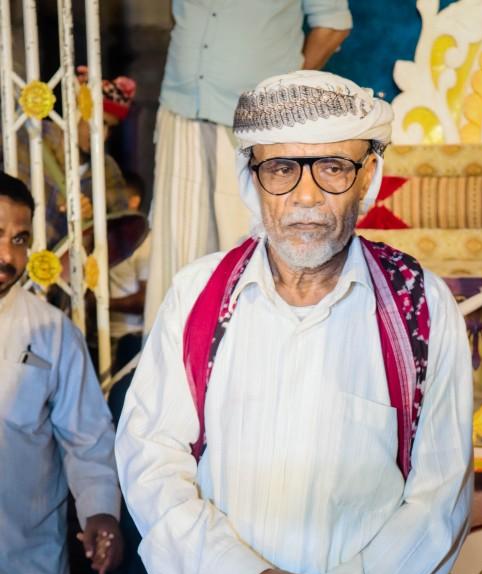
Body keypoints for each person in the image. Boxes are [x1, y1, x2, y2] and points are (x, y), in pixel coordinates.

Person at [116, 72, 473, 574]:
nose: (306, 196)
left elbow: (439, 501)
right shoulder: (197, 296)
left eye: (333, 167)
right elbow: (150, 461)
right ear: (251, 180)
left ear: (368, 177)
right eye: (281, 169)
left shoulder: (421, 309)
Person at [0, 171, 123, 574]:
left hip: (29, 571)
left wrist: (100, 513)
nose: (8, 254)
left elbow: (88, 439)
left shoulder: (51, 333)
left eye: (20, 239)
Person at [144, 0, 353, 331]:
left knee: (249, 249)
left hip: (254, 127)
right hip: (180, 108)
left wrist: (280, 95)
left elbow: (332, 25)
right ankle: (179, 353)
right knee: (177, 249)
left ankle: (250, 351)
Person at [0, 69, 136, 249]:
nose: (102, 134)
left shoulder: (108, 169)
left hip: (63, 262)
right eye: (99, 122)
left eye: (110, 128)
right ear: (76, 110)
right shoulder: (33, 134)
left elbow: (120, 230)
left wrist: (92, 214)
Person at [109, 170, 150, 370]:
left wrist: (101, 304)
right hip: (102, 336)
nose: (111, 202)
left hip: (130, 338)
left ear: (134, 201)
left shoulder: (145, 242)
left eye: (118, 197)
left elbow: (145, 299)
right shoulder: (107, 235)